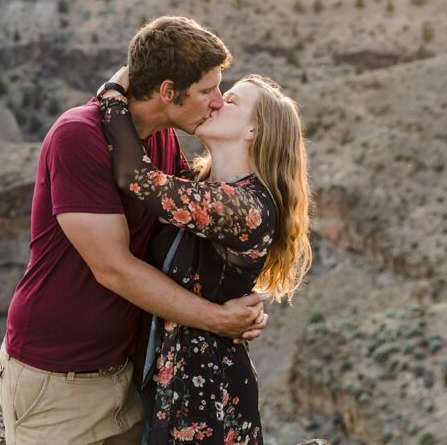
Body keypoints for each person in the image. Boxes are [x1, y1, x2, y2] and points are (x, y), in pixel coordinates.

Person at [0, 17, 269, 445]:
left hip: (130, 376)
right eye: (206, 90)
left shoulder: (160, 140)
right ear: (167, 92)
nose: (216, 102)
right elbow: (114, 269)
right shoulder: (78, 136)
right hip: (62, 377)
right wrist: (220, 320)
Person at [96, 72, 313, 444]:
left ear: (252, 131)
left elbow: (137, 177)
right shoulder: (202, 186)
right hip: (170, 385)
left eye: (231, 101)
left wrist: (112, 92)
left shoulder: (246, 207)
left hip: (207, 398)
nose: (216, 101)